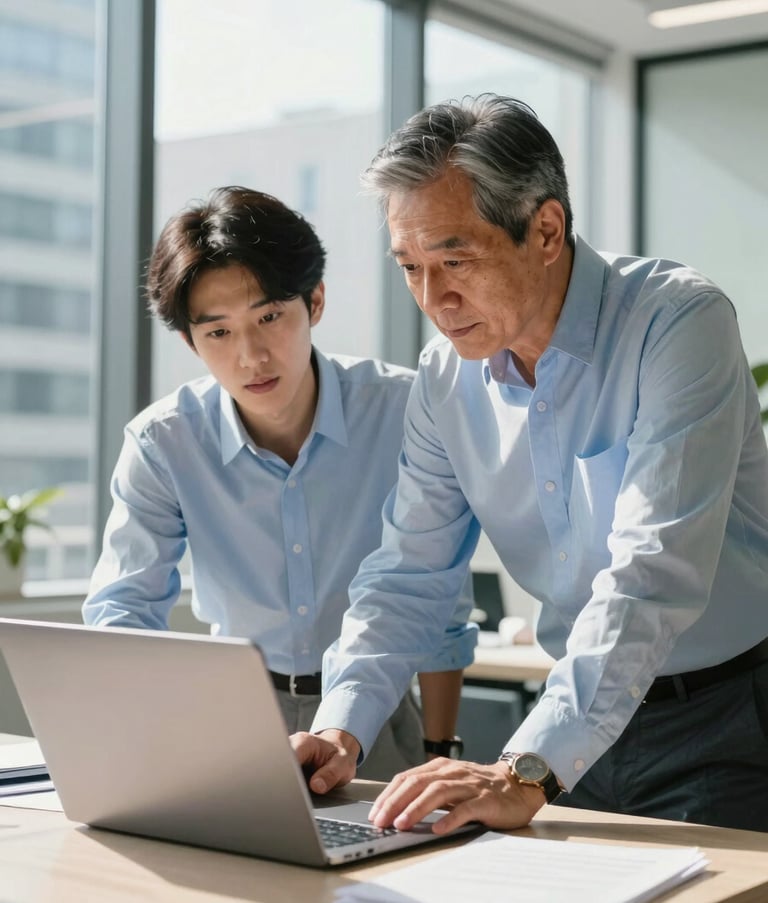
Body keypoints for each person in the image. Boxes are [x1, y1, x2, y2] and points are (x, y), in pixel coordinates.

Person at [292, 93, 768, 832]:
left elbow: (653, 571)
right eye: (411, 267)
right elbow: (409, 574)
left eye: (455, 259)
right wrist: (339, 727)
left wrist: (526, 767)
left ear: (546, 229)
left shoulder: (677, 323)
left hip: (723, 720)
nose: (434, 299)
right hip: (570, 726)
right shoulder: (444, 378)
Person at [82, 186, 477, 780]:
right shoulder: (163, 442)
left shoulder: (404, 412)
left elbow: (441, 609)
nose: (252, 356)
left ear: (314, 301)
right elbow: (123, 609)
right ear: (190, 340)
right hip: (235, 716)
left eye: (269, 317)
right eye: (218, 333)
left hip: (377, 716)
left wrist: (438, 750)